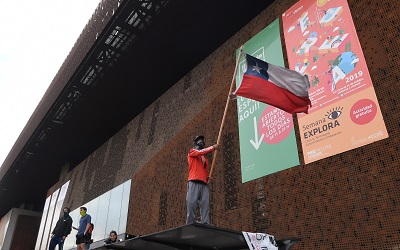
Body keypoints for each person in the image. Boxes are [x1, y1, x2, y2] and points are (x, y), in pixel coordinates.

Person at [186, 135, 218, 225]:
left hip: (203, 183)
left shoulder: (205, 158)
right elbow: (200, 152)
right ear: (195, 142)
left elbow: (203, 169)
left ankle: (205, 223)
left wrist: (207, 177)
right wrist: (213, 147)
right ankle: (190, 223)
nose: (201, 142)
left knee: (205, 204)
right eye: (199, 141)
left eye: (202, 141)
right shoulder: (192, 151)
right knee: (191, 203)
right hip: (193, 181)